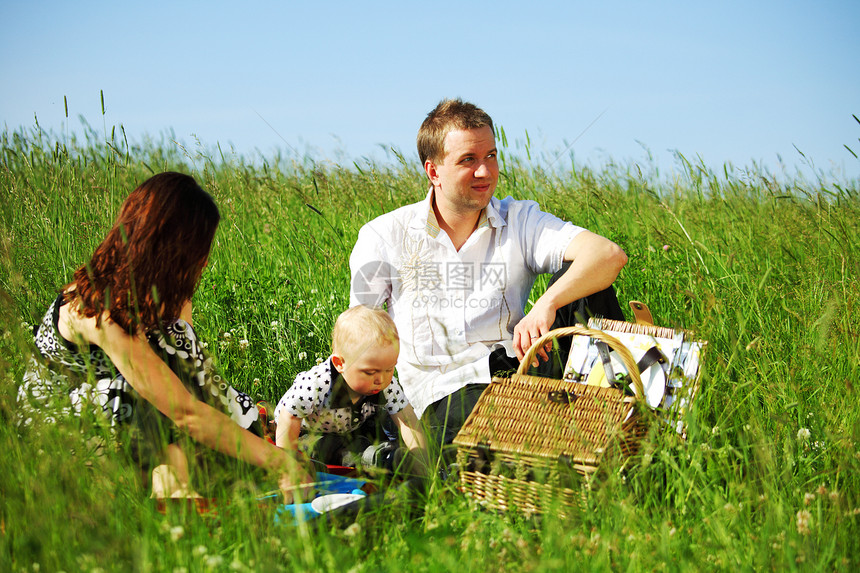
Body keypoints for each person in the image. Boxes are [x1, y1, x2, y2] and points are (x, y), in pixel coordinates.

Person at [17, 172, 312, 501]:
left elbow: (189, 367)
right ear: (171, 251)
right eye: (199, 250)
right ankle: (171, 484)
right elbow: (183, 411)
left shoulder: (157, 294)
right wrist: (277, 462)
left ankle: (205, 464)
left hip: (138, 421)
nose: (204, 260)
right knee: (135, 386)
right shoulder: (99, 310)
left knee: (174, 342)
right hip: (63, 424)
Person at [349, 98, 628, 446]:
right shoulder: (384, 236)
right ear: (433, 171)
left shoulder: (519, 219)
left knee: (588, 287)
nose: (485, 172)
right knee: (477, 424)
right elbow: (359, 341)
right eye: (469, 160)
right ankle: (561, 438)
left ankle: (621, 429)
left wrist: (547, 304)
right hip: (444, 396)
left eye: (491, 156)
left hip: (522, 371)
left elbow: (608, 254)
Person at [273, 305, 427, 475]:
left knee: (387, 418)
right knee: (323, 448)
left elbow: (408, 420)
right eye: (370, 372)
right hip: (308, 431)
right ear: (340, 364)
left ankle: (395, 454)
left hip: (351, 424)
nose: (381, 379)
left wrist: (421, 457)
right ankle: (374, 458)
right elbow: (289, 417)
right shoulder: (317, 383)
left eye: (389, 369)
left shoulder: (384, 384)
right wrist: (288, 463)